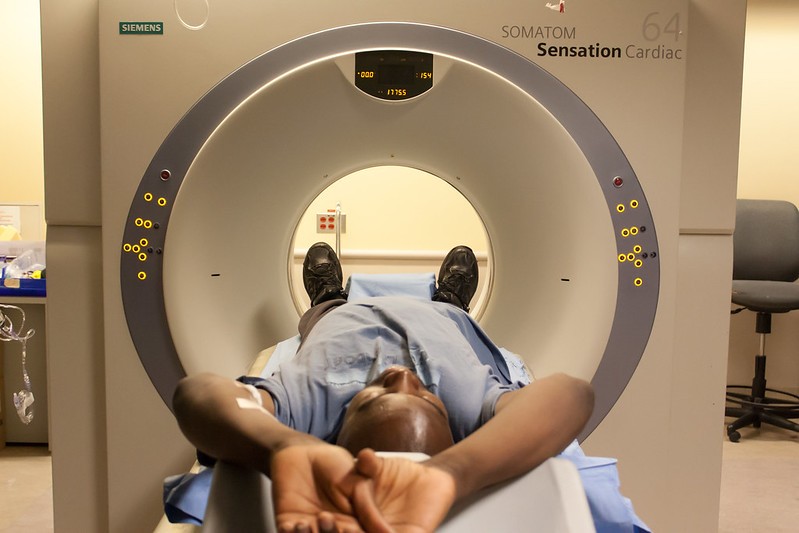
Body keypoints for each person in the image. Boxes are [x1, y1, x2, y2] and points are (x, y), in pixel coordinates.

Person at [173, 243, 594, 533]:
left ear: (339, 431)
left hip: (342, 318)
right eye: (426, 397)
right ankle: (451, 299)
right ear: (453, 427)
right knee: (450, 314)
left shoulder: (308, 405)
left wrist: (282, 446)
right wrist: (455, 472)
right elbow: (571, 394)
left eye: (371, 398)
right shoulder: (474, 410)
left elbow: (199, 393)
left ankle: (326, 293)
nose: (401, 376)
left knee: (323, 315)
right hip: (443, 321)